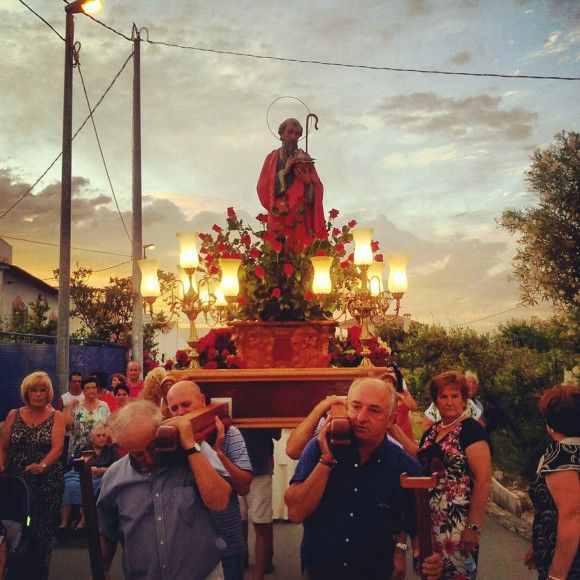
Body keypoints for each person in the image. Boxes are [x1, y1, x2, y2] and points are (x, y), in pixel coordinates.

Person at [284, 376, 443, 579]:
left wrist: (427, 559)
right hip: (319, 572)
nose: (360, 418)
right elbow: (296, 512)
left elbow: (418, 529)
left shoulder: (405, 467)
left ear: (392, 419)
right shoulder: (320, 447)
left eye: (374, 410)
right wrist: (326, 461)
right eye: (355, 406)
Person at [97, 400, 231, 580]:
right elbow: (107, 531)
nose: (149, 459)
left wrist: (191, 447)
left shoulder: (196, 453)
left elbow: (220, 501)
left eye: (152, 448)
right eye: (137, 453)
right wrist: (101, 570)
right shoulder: (114, 478)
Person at [166, 380, 253, 580]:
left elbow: (244, 486)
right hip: (187, 549)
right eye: (174, 408)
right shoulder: (169, 441)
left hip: (226, 543)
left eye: (186, 404)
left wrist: (219, 453)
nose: (180, 412)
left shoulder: (230, 433)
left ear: (202, 400)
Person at [417, 371, 492, 579]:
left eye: (455, 396)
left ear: (464, 399)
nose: (449, 402)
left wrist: (473, 527)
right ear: (435, 401)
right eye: (443, 396)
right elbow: (418, 458)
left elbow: (484, 481)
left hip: (457, 526)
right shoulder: (431, 432)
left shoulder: (470, 430)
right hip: (429, 524)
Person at [0, 371, 65, 580]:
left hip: (46, 485)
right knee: (14, 533)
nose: (38, 394)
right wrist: (1, 466)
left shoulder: (57, 416)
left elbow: (58, 448)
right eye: (33, 390)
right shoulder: (13, 415)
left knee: (40, 537)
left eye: (42, 390)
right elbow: (3, 447)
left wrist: (43, 465)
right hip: (17, 487)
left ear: (49, 393)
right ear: (26, 393)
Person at [525, 384, 580, 580]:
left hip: (571, 566)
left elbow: (571, 517)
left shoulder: (561, 457)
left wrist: (557, 575)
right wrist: (537, 544)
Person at [257, 117, 325, 247]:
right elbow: (262, 187)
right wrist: (284, 172)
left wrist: (308, 182)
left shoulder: (305, 159)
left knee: (300, 252)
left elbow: (317, 187)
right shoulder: (272, 158)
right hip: (279, 216)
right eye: (290, 132)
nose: (294, 136)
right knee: (278, 253)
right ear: (282, 134)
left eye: (297, 134)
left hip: (300, 216)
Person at [239, 428, 281, 579]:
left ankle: (261, 570)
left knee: (261, 522)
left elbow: (277, 433)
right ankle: (242, 560)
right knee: (239, 520)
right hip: (234, 465)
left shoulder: (265, 404)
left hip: (259, 466)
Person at [60, 423, 118, 531]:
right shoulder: (84, 448)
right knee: (70, 485)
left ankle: (84, 520)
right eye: (98, 435)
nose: (102, 438)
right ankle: (64, 522)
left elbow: (116, 467)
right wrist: (87, 469)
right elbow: (76, 465)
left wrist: (101, 470)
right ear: (92, 438)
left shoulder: (111, 449)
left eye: (104, 435)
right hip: (84, 475)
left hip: (102, 477)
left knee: (91, 487)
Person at [64, 376, 111, 460]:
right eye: (88, 388)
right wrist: (69, 407)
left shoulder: (104, 405)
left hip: (98, 451)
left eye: (94, 387)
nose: (91, 390)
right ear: (83, 390)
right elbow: (67, 426)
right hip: (77, 451)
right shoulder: (76, 406)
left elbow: (109, 427)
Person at [60, 371, 84, 465]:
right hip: (67, 437)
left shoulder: (85, 396)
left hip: (82, 436)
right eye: (74, 381)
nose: (77, 384)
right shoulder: (63, 398)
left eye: (79, 381)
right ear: (69, 382)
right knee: (67, 462)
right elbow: (58, 417)